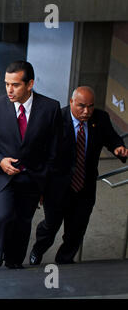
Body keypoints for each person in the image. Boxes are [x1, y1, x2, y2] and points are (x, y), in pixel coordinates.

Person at [0, 60, 62, 271]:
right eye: (6, 84)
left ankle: (15, 261)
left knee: (23, 223)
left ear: (30, 84)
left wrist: (44, 180)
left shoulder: (50, 108)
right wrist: (0, 160)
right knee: (4, 216)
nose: (9, 89)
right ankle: (0, 248)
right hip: (3, 175)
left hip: (33, 177)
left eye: (15, 84)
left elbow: (54, 149)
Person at [30, 86, 128, 265]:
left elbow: (111, 137)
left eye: (90, 106)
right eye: (81, 106)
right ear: (71, 102)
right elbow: (42, 158)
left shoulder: (100, 118)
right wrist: (40, 189)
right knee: (50, 227)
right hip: (57, 188)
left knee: (76, 231)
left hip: (85, 187)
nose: (86, 111)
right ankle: (38, 250)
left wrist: (117, 147)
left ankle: (64, 260)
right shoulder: (56, 119)